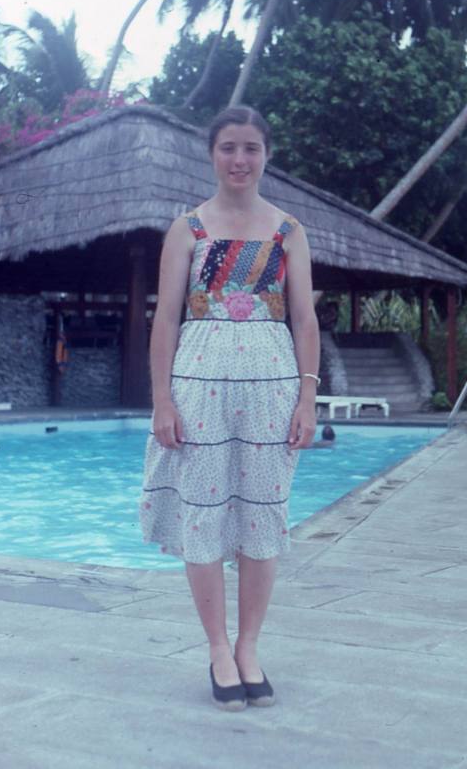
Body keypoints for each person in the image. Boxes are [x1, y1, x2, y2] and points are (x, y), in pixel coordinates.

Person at [140, 105, 320, 711]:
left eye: (250, 148)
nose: (239, 160)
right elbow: (166, 319)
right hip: (198, 389)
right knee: (203, 517)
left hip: (270, 389)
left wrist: (307, 398)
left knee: (263, 517)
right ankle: (218, 648)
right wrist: (162, 400)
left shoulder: (288, 231)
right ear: (212, 154)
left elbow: (304, 320)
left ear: (266, 155)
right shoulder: (187, 230)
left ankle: (249, 647)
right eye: (228, 148)